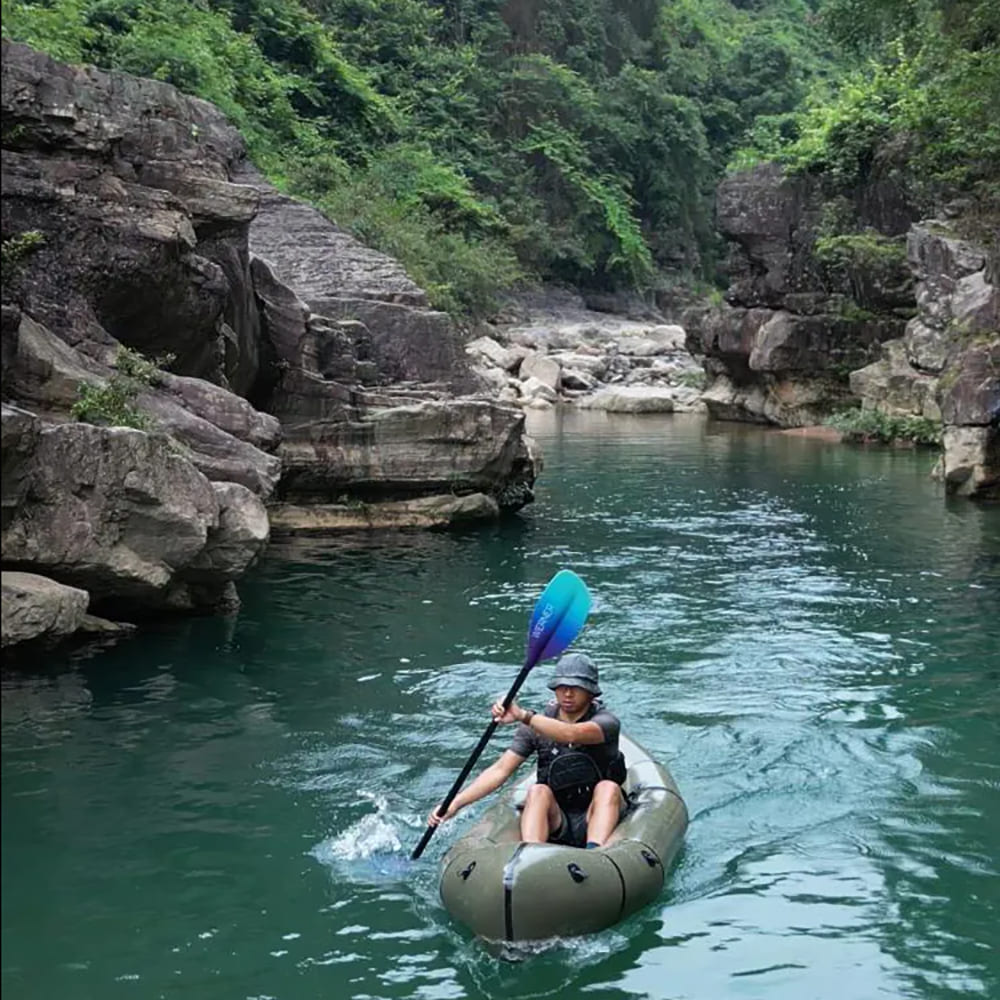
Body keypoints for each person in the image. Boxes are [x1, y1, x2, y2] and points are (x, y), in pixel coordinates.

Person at [427, 652, 626, 848]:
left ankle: (595, 853)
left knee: (608, 788)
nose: (567, 694)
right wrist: (455, 803)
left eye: (576, 688)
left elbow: (570, 734)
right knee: (538, 791)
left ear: (591, 692)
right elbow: (500, 770)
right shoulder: (535, 728)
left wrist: (523, 715)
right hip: (557, 816)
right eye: (562, 687)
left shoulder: (606, 723)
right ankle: (531, 856)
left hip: (597, 811)